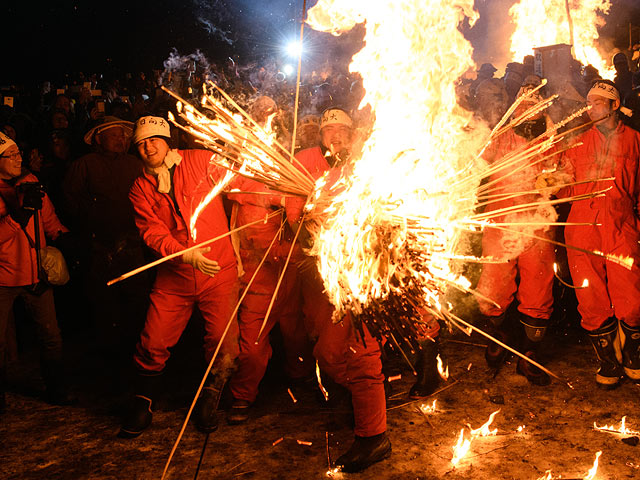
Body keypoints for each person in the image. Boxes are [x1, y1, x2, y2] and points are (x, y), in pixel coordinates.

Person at [119, 116, 240, 437]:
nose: (148, 147)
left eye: (154, 139)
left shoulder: (199, 160)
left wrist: (236, 149)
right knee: (153, 338)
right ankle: (143, 402)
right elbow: (151, 230)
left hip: (218, 270)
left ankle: (211, 396)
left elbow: (236, 177)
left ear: (167, 140)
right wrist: (182, 253)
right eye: (141, 143)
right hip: (175, 275)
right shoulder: (139, 187)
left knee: (223, 340)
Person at [285, 108, 391, 473]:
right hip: (320, 273)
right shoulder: (303, 162)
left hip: (359, 273)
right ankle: (368, 396)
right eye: (329, 130)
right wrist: (306, 223)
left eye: (341, 130)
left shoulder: (365, 163)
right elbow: (294, 210)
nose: (335, 136)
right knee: (328, 351)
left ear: (351, 134)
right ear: (321, 135)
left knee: (362, 352)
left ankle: (374, 436)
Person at [550, 80, 640, 389]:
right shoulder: (577, 143)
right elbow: (563, 184)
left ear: (616, 105)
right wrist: (551, 181)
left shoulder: (635, 141)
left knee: (631, 295)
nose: (592, 107)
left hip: (620, 224)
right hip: (582, 226)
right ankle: (607, 360)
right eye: (589, 102)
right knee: (590, 296)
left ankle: (632, 352)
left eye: (599, 102)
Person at [475, 85, 557, 386]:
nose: (528, 113)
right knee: (494, 284)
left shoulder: (550, 137)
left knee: (538, 284)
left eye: (534, 107)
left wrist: (554, 180)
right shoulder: (501, 134)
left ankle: (530, 354)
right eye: (523, 107)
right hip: (499, 219)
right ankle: (498, 334)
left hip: (537, 222)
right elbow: (478, 162)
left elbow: (565, 172)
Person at [63, 116, 149, 368]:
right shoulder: (85, 165)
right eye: (115, 135)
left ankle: (138, 351)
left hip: (132, 243)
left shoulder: (135, 163)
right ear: (98, 139)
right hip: (99, 246)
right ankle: (109, 356)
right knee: (104, 301)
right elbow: (70, 200)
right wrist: (91, 224)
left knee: (137, 298)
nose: (121, 140)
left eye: (124, 136)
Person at [0, 131, 74, 412]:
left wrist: (64, 237)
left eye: (19, 153)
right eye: (11, 155)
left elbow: (48, 219)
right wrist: (19, 215)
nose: (19, 158)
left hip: (35, 274)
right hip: (4, 278)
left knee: (51, 335)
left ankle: (56, 388)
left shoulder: (30, 182)